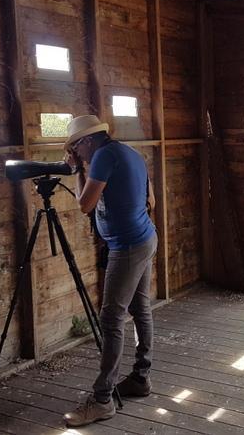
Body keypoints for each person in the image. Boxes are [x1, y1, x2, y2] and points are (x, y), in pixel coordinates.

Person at [61, 115, 157, 427]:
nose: (77, 154)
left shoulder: (101, 156)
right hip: (145, 237)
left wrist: (78, 173)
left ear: (87, 141)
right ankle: (140, 378)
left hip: (127, 246)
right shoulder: (129, 152)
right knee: (141, 309)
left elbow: (85, 204)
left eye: (76, 147)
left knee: (111, 318)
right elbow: (150, 201)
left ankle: (102, 399)